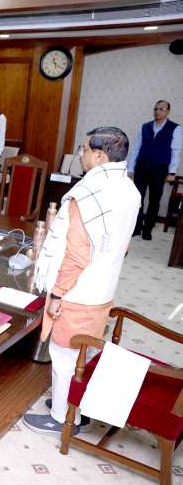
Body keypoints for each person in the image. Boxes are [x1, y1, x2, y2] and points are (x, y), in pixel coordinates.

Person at [25, 126, 140, 436]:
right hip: (103, 287)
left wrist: (58, 293)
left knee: (64, 354)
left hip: (78, 290)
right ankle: (73, 407)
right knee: (82, 353)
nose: (80, 154)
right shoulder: (130, 190)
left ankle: (63, 419)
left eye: (85, 149)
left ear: (100, 156)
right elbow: (125, 245)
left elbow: (77, 254)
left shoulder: (89, 194)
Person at [128, 100, 181, 240]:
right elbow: (136, 148)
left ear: (168, 111)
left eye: (161, 109)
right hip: (141, 167)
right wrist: (131, 168)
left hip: (159, 170)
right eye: (156, 109)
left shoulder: (175, 128)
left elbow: (175, 152)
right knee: (137, 199)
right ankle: (136, 228)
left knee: (154, 200)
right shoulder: (145, 127)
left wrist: (172, 172)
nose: (158, 111)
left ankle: (147, 229)